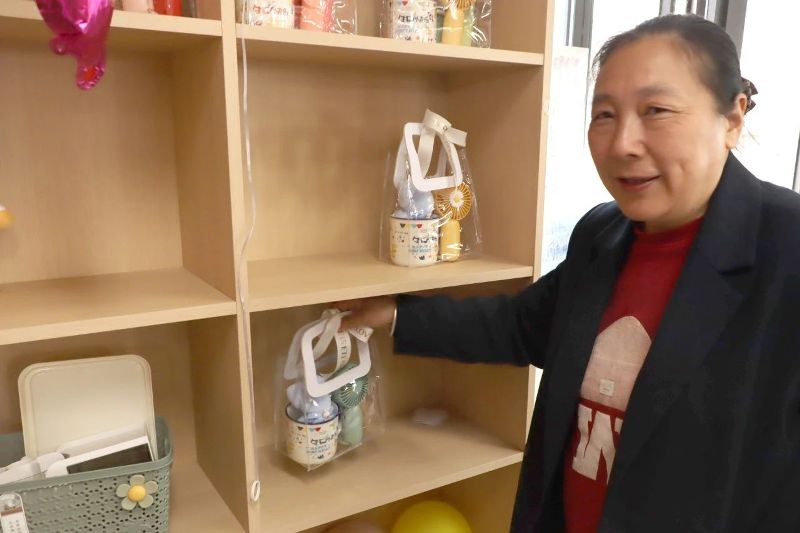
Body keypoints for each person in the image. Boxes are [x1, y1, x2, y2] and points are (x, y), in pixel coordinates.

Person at [338, 14, 800, 533]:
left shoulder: (786, 248)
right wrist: (394, 314)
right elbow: (523, 325)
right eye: (604, 114)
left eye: (656, 110)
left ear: (732, 118)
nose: (622, 143)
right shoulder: (603, 234)